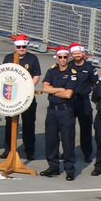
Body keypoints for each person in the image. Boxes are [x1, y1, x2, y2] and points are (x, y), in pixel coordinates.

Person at [0, 35, 42, 160]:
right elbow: (3, 75)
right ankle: (8, 149)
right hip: (12, 96)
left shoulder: (33, 58)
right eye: (19, 47)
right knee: (10, 123)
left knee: (29, 124)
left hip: (27, 97)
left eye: (24, 46)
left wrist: (27, 89)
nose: (21, 49)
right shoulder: (8, 58)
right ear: (15, 47)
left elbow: (36, 76)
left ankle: (30, 150)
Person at [41, 48, 79, 180]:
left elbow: (68, 94)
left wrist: (52, 90)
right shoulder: (52, 70)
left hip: (65, 110)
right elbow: (44, 88)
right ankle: (53, 167)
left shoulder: (73, 73)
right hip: (52, 110)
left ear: (68, 58)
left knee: (67, 141)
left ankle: (69, 169)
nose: (63, 59)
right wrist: (59, 89)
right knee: (51, 140)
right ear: (56, 58)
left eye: (65, 57)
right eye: (60, 57)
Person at [69, 43, 98, 165]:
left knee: (86, 128)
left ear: (83, 54)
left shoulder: (90, 68)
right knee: (68, 129)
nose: (77, 55)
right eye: (74, 53)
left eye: (78, 53)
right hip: (70, 101)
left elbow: (96, 84)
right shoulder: (68, 66)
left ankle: (87, 153)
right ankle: (68, 152)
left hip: (84, 101)